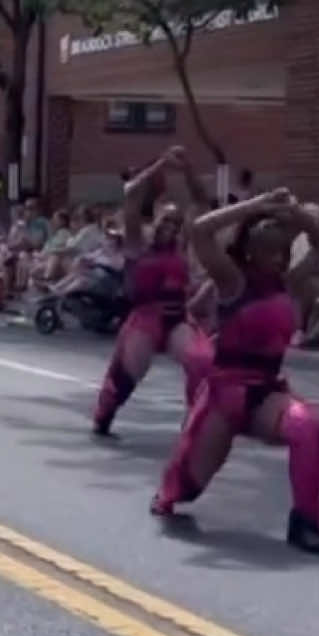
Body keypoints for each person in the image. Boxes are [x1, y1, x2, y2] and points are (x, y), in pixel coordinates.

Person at [151, 188, 319, 554]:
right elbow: (201, 230)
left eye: (284, 252)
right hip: (224, 397)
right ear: (252, 252)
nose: (281, 260)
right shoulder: (232, 282)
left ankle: (306, 522)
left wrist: (294, 213)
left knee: (310, 428)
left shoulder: (288, 282)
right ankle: (169, 490)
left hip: (267, 392)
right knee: (186, 487)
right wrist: (256, 205)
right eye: (272, 252)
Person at [93, 148, 213, 435]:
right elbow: (131, 194)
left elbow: (201, 201)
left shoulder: (181, 244)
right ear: (156, 216)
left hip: (177, 317)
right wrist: (160, 164)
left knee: (201, 361)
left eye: (175, 221)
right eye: (166, 219)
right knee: (129, 373)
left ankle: (194, 422)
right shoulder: (138, 241)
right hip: (146, 317)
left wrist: (187, 170)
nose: (170, 225)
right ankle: (105, 413)